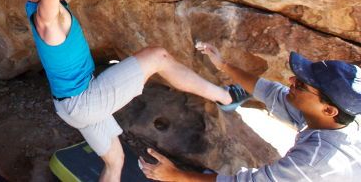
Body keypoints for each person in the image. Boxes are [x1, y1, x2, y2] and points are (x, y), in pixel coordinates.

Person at [15, 0, 250, 182]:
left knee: (115, 162)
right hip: (84, 101)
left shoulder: (48, 7)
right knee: (158, 56)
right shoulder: (46, 21)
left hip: (72, 106)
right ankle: (226, 97)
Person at [139, 43, 361, 181]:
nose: (291, 80)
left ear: (329, 109)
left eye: (301, 85)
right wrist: (224, 65)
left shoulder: (315, 160)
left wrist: (177, 176)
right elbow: (272, 92)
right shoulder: (335, 118)